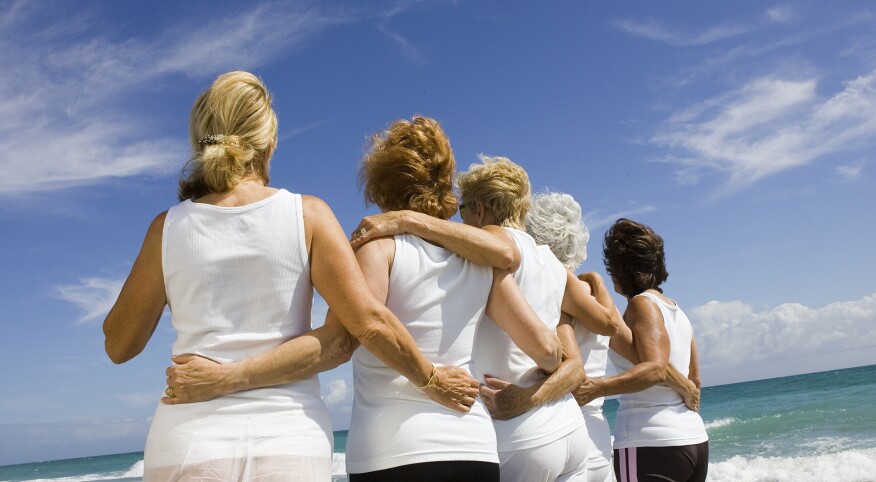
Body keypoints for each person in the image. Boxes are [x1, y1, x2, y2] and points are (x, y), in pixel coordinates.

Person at [102, 73, 478, 481]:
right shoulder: (308, 215)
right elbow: (349, 335)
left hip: (189, 441)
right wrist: (433, 380)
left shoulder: (167, 228)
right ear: (269, 141)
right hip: (289, 442)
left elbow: (119, 345)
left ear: (200, 140)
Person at [345, 116, 572, 481]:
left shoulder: (378, 248)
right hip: (474, 448)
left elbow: (360, 330)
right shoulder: (481, 262)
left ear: (378, 184)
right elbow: (546, 350)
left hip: (393, 449)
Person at [592, 218, 709, 482]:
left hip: (649, 440)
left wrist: (596, 388)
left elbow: (656, 368)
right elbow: (695, 381)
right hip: (693, 439)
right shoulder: (678, 311)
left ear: (621, 270)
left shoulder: (640, 305)